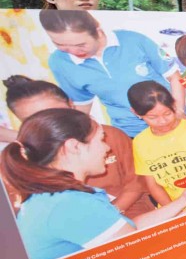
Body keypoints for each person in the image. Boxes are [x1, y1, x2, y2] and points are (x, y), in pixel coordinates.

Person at [2, 108, 186, 259]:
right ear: (74, 147)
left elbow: (128, 227)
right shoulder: (69, 203)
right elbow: (142, 253)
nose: (107, 148)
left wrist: (184, 201)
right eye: (101, 140)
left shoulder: (55, 196)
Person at [3, 76, 151, 220]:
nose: (50, 122)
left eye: (56, 113)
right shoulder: (25, 158)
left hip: (134, 217)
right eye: (35, 119)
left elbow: (137, 183)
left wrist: (108, 217)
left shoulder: (109, 136)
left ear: (71, 104)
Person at [41, 9, 186, 138]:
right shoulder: (60, 62)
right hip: (131, 133)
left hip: (176, 122)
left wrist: (179, 112)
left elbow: (174, 76)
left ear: (98, 31)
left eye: (80, 45)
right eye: (60, 45)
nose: (72, 52)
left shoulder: (133, 40)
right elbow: (82, 104)